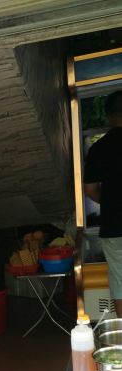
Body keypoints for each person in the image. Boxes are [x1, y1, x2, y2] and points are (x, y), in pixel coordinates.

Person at [84, 90, 122, 318]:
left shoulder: (99, 148)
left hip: (114, 226)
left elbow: (90, 190)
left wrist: (107, 201)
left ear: (108, 115)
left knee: (119, 281)